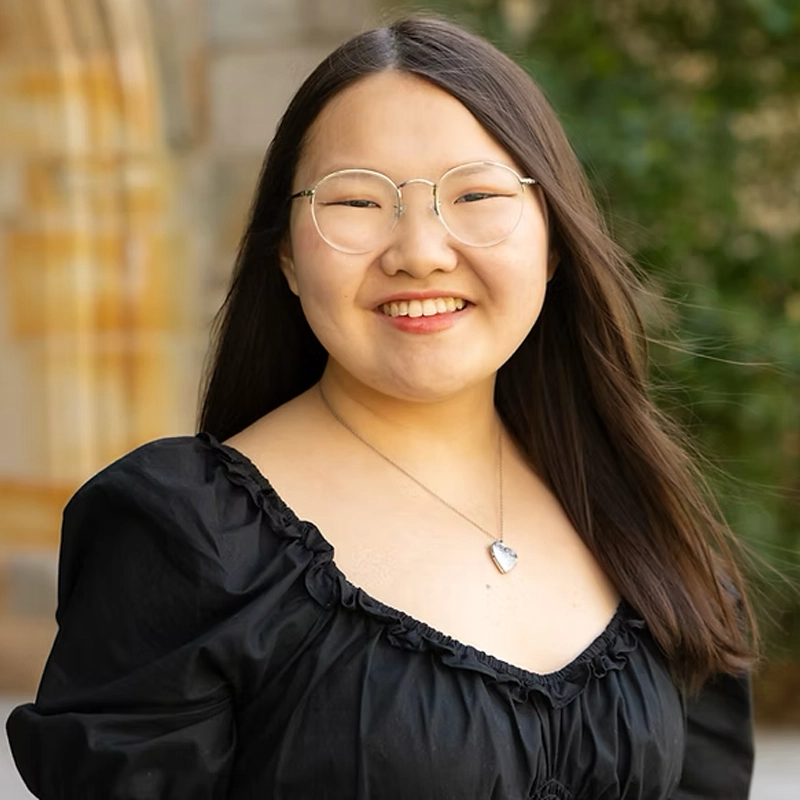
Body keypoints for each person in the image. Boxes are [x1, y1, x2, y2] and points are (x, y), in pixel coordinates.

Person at [7, 14, 756, 800]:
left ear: (554, 241)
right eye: (359, 202)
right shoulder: (185, 536)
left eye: (476, 194)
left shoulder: (642, 524)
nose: (421, 252)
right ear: (286, 255)